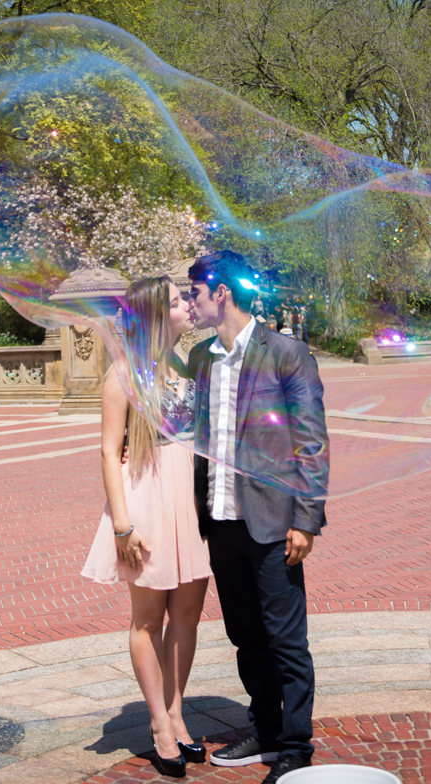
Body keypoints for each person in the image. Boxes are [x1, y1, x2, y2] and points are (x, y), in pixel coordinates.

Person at [184, 251, 329, 783]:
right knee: (245, 634)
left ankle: (294, 745)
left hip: (273, 522)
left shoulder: (286, 353)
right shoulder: (201, 359)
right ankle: (266, 728)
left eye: (194, 291)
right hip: (220, 520)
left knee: (286, 639)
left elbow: (311, 442)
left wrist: (306, 520)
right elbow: (192, 435)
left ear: (221, 291)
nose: (190, 301)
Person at [82, 275, 211, 779]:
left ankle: (178, 713)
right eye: (179, 301)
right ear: (158, 315)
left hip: (191, 499)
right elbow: (109, 453)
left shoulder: (188, 364)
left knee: (187, 614)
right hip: (148, 498)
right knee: (147, 616)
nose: (188, 306)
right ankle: (159, 723)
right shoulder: (124, 376)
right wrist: (121, 525)